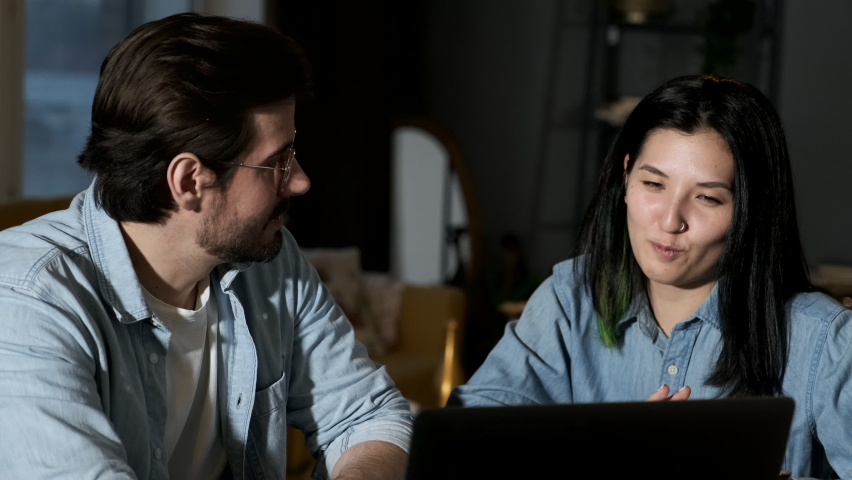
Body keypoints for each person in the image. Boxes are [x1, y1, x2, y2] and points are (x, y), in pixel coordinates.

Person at [0, 13, 411, 480]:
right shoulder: (25, 304)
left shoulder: (270, 261)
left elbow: (368, 414)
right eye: (278, 161)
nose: (299, 181)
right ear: (189, 181)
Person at [450, 75, 852, 479]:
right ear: (626, 176)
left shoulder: (822, 340)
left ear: (751, 211)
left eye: (708, 197)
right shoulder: (570, 300)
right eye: (653, 184)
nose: (670, 220)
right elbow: (463, 446)